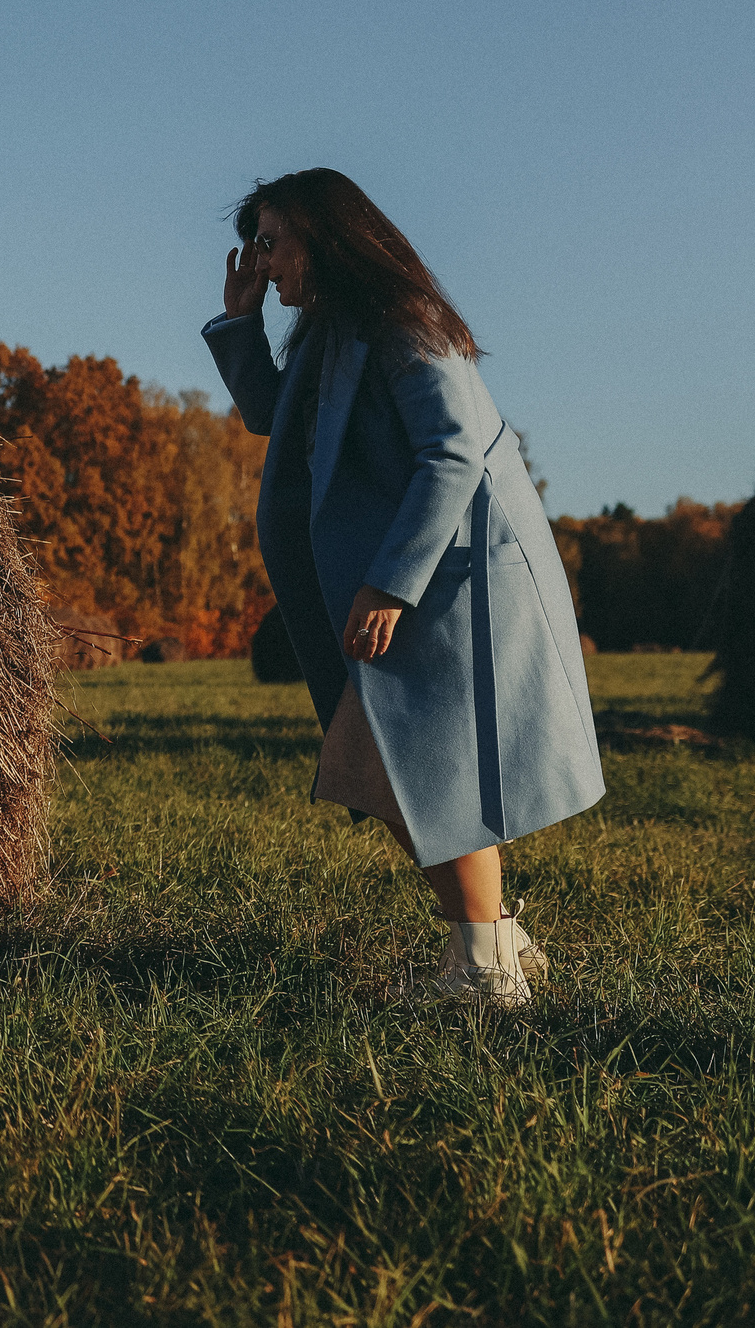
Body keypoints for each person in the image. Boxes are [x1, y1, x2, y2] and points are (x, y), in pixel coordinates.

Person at [204, 169, 604, 1008]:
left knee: (400, 765)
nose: (261, 261)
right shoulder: (329, 331)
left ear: (326, 235)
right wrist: (242, 324)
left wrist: (390, 584)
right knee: (391, 767)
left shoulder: (404, 321)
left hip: (450, 580)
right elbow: (275, 414)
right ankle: (493, 942)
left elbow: (452, 451)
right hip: (407, 576)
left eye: (272, 242)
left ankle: (486, 967)